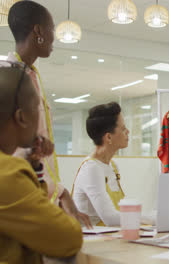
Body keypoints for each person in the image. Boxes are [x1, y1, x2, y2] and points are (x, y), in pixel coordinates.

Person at [5, 0, 91, 227]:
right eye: (52, 30)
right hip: (20, 198)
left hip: (39, 191)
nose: (54, 38)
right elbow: (19, 151)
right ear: (38, 31)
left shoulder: (32, 75)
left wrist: (61, 193)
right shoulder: (9, 78)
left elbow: (40, 150)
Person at [0, 66, 83, 264]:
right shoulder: (8, 174)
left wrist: (34, 167)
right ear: (21, 117)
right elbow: (67, 238)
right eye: (37, 110)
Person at [72, 102, 153, 226]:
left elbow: (122, 210)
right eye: (123, 129)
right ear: (108, 137)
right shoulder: (91, 169)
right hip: (90, 240)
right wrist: (153, 220)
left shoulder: (113, 166)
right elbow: (110, 218)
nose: (128, 132)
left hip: (110, 236)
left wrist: (151, 216)